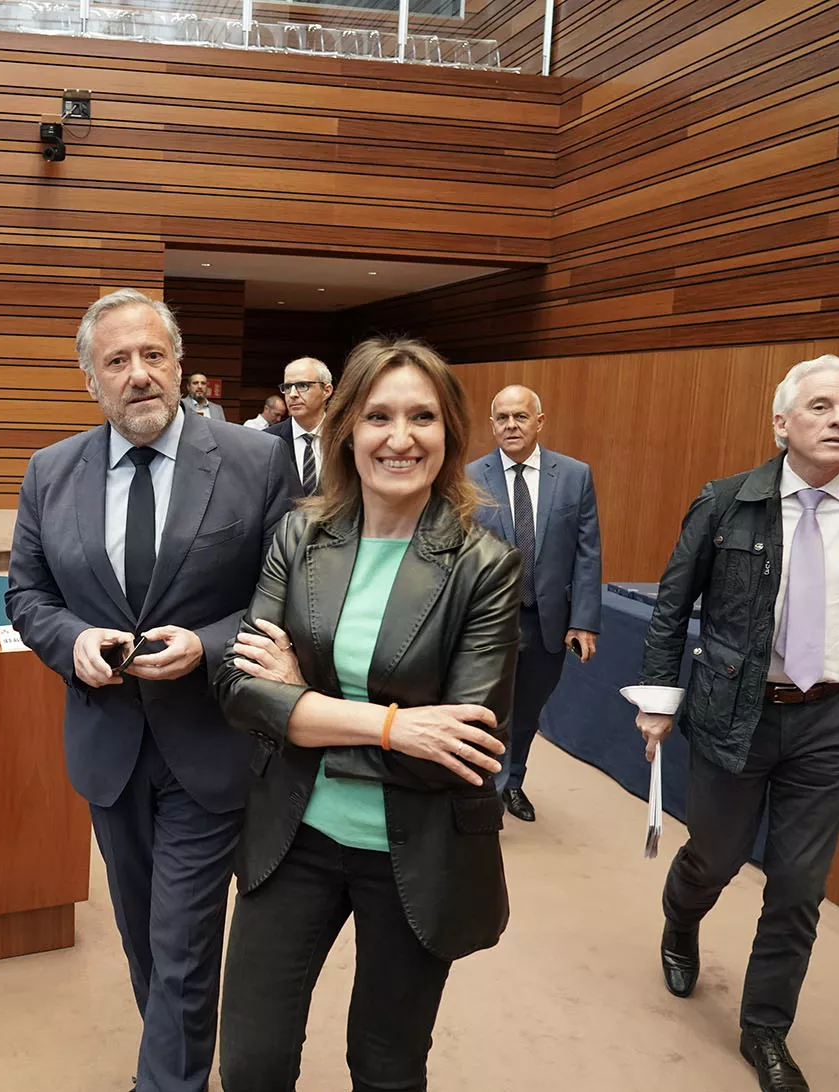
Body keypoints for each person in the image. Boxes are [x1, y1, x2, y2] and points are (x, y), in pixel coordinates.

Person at [5, 288, 298, 1092]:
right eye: (118, 361)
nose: (140, 375)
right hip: (107, 747)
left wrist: (205, 646)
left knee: (182, 942)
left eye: (153, 356)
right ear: (91, 381)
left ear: (177, 365)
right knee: (144, 940)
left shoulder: (255, 459)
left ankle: (164, 1082)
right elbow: (27, 597)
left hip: (210, 742)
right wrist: (74, 643)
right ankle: (179, 1061)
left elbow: (290, 594)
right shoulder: (50, 472)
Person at [213, 336, 521, 1092]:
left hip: (414, 849)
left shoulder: (486, 566)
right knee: (251, 1063)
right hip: (296, 834)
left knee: (386, 1068)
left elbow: (457, 748)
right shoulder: (300, 536)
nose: (400, 437)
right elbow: (241, 690)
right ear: (346, 428)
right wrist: (391, 724)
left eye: (422, 417)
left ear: (448, 433)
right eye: (379, 416)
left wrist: (302, 705)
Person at [633, 354, 839, 1092]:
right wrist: (659, 699)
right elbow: (672, 604)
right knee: (717, 857)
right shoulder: (727, 501)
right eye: (821, 406)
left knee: (798, 885)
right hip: (736, 711)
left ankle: (765, 1031)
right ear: (782, 422)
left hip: (831, 720)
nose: (838, 419)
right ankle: (681, 915)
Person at [466, 384, 602, 821]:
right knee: (488, 709)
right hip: (487, 621)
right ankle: (485, 788)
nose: (510, 426)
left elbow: (588, 552)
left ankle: (513, 783)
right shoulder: (470, 477)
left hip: (546, 620)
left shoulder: (575, 475)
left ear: (539, 422)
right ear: (491, 425)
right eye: (502, 418)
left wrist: (583, 621)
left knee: (527, 709)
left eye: (520, 417)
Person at [266, 356, 332, 495]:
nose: (293, 394)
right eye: (287, 387)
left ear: (326, 390)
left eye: (303, 386)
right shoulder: (266, 440)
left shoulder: (347, 437)